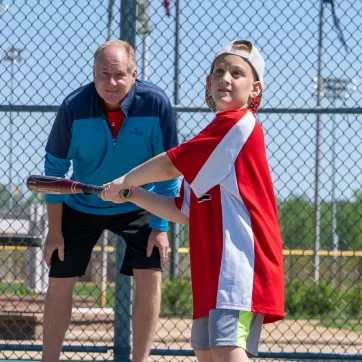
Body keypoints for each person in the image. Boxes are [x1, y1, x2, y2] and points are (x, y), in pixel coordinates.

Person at [100, 40, 285, 362]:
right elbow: (182, 210)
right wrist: (132, 194)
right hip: (213, 269)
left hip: (240, 264)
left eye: (237, 73)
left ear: (255, 89)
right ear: (208, 84)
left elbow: (171, 162)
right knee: (205, 348)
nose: (226, 78)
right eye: (219, 72)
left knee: (226, 348)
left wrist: (125, 180)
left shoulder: (238, 125)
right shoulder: (213, 137)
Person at [42, 40, 178, 362]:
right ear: (93, 74)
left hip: (137, 202)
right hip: (81, 204)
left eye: (119, 75)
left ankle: (139, 360)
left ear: (134, 74)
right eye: (104, 74)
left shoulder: (156, 103)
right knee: (59, 279)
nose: (111, 82)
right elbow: (54, 172)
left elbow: (169, 168)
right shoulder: (73, 106)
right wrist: (55, 231)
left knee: (151, 271)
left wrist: (159, 227)